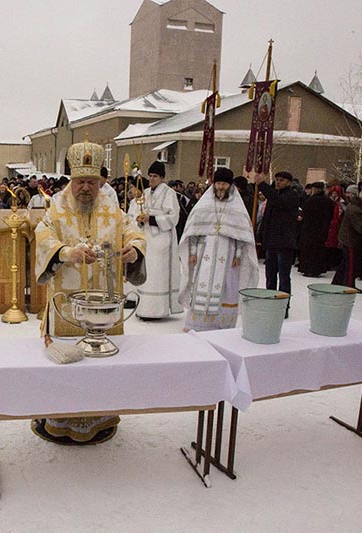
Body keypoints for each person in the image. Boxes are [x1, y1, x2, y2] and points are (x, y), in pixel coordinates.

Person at [34, 141, 146, 445]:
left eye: (92, 182)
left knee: (103, 364)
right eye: (80, 181)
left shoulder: (112, 207)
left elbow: (132, 230)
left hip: (105, 298)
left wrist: (134, 249)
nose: (86, 187)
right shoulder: (56, 207)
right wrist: (68, 252)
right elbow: (42, 235)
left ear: (100, 182)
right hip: (67, 304)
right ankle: (60, 418)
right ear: (72, 180)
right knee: (68, 363)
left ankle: (101, 416)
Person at [178, 168, 259, 331]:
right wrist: (193, 252)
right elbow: (194, 231)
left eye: (224, 184)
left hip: (228, 255)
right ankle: (198, 323)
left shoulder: (237, 207)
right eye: (218, 183)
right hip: (204, 253)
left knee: (226, 287)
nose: (221, 187)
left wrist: (237, 255)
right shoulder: (205, 204)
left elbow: (240, 236)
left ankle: (222, 324)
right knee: (202, 285)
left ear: (230, 186)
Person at [128, 160, 182, 319]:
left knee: (157, 274)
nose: (151, 179)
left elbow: (174, 217)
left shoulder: (169, 193)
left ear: (162, 178)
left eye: (155, 176)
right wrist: (138, 219)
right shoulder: (144, 193)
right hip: (146, 239)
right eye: (150, 176)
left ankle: (157, 310)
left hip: (161, 240)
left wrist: (151, 219)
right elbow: (135, 212)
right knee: (146, 274)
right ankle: (144, 308)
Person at [252, 170, 299, 317]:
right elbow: (267, 219)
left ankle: (283, 305)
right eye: (277, 179)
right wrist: (261, 236)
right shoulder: (274, 196)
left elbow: (280, 202)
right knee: (270, 275)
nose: (278, 182)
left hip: (284, 243)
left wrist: (262, 185)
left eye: (282, 180)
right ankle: (270, 300)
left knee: (284, 277)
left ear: (289, 182)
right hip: (272, 242)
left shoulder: (291, 195)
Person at [298, 181, 334, 277]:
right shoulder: (328, 201)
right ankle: (318, 269)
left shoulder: (311, 200)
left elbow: (305, 213)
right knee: (319, 249)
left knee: (308, 249)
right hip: (322, 229)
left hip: (309, 228)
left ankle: (308, 268)